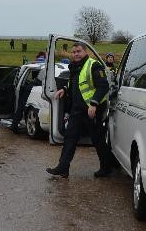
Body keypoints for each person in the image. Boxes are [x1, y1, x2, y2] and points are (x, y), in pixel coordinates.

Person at [46, 42, 113, 178]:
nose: (76, 54)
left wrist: (93, 104)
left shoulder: (93, 65)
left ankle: (106, 168)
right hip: (77, 111)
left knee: (98, 140)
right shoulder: (75, 67)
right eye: (74, 52)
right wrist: (64, 89)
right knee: (69, 138)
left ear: (85, 51)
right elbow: (74, 84)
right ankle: (63, 167)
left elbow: (103, 86)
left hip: (91, 111)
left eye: (78, 51)